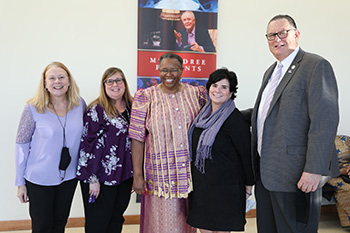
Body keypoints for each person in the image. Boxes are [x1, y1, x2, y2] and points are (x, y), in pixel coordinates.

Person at [251, 14, 339, 232]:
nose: (277, 39)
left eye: (283, 33)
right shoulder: (270, 72)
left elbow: (324, 121)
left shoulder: (315, 66)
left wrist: (314, 169)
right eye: (271, 35)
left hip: (297, 176)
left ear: (296, 34)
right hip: (266, 174)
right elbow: (267, 113)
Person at [129, 53, 207, 233]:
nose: (168, 74)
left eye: (173, 69)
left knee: (188, 222)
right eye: (164, 70)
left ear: (182, 70)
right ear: (158, 70)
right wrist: (138, 175)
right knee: (163, 225)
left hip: (190, 174)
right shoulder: (145, 97)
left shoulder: (196, 94)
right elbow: (137, 138)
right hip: (159, 175)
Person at [15, 61, 86, 233]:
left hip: (68, 177)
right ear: (45, 84)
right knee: (42, 227)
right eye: (52, 78)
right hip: (39, 178)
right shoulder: (33, 108)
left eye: (61, 77)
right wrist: (20, 183)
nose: (57, 82)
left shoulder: (79, 104)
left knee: (60, 223)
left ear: (69, 81)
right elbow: (21, 144)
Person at [187, 68, 254, 232]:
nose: (218, 90)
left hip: (227, 188)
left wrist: (248, 186)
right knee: (204, 228)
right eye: (215, 85)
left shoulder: (237, 120)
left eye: (224, 87)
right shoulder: (201, 116)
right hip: (202, 186)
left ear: (231, 92)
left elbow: (246, 155)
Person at [76, 67, 133, 233]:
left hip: (124, 176)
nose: (115, 84)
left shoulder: (132, 107)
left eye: (119, 80)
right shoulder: (96, 110)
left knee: (116, 219)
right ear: (104, 85)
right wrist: (92, 179)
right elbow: (87, 144)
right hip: (100, 177)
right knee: (98, 222)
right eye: (110, 81)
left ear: (124, 83)